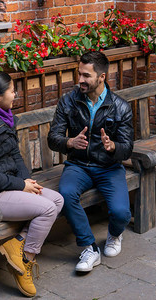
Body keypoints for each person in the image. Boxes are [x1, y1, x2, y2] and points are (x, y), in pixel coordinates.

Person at [0, 70, 64, 297]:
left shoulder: (2, 116)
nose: (15, 94)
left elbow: (15, 156)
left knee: (57, 199)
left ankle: (17, 248)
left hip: (7, 184)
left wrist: (27, 180)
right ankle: (26, 261)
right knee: (47, 208)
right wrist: (20, 185)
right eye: (12, 91)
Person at [47, 51, 133, 273]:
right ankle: (89, 247)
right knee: (66, 195)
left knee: (122, 213)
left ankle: (114, 235)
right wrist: (69, 142)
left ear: (101, 77)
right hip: (79, 166)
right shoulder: (68, 102)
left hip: (109, 167)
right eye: (79, 74)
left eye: (86, 76)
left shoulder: (121, 107)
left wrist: (113, 147)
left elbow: (127, 148)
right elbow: (53, 139)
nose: (80, 80)